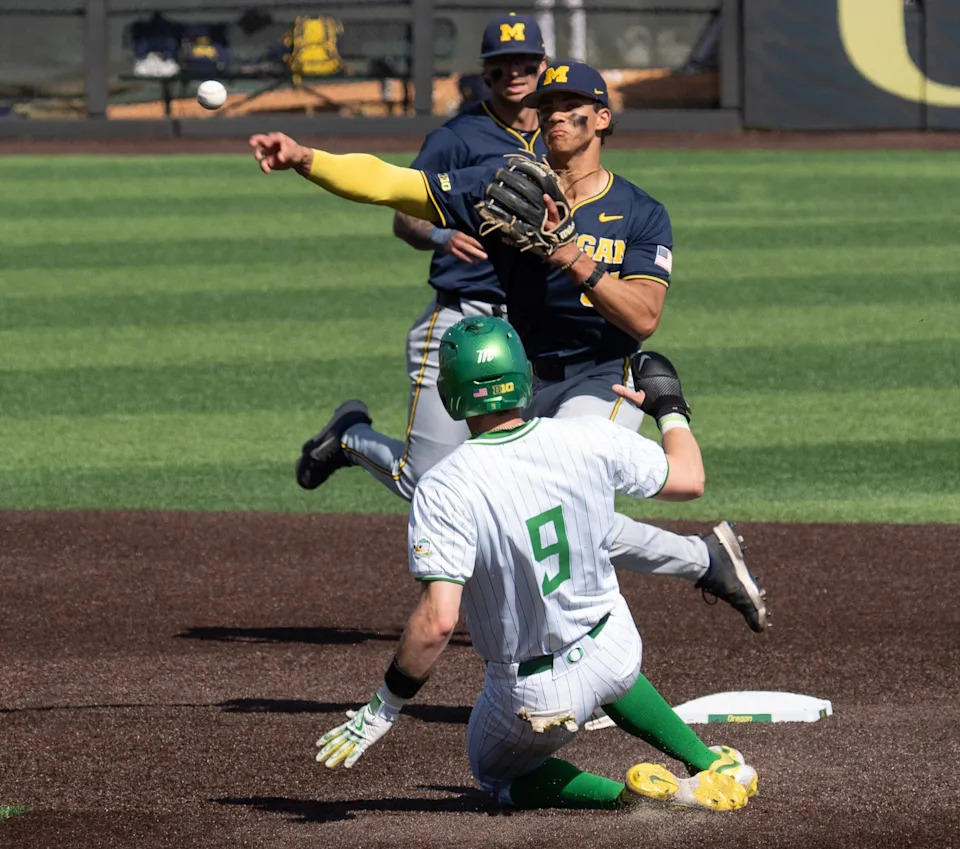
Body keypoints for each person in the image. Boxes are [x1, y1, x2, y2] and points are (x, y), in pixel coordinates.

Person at [248, 61, 768, 635]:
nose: (553, 117)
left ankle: (598, 665)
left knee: (564, 506)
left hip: (603, 379)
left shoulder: (641, 213)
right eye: (546, 108)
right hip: (528, 381)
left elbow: (643, 318)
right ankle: (706, 562)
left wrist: (569, 254)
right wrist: (304, 160)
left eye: (569, 107)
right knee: (539, 514)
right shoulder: (502, 188)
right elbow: (392, 184)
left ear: (601, 119)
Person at [312, 316, 759, 811]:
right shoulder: (589, 436)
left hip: (537, 698)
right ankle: (706, 762)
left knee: (495, 773)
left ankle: (629, 798)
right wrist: (669, 408)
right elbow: (689, 479)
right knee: (609, 662)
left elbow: (439, 621)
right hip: (614, 648)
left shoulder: (444, 486)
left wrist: (383, 708)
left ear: (450, 393)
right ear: (524, 378)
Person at [295, 13, 548, 502]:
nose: (514, 73)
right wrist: (441, 236)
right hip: (462, 314)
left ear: (543, 65)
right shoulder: (456, 138)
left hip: (532, 324)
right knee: (427, 481)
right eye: (502, 64)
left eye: (525, 62)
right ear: (486, 72)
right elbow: (403, 217)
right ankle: (350, 439)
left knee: (527, 481)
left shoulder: (560, 135)